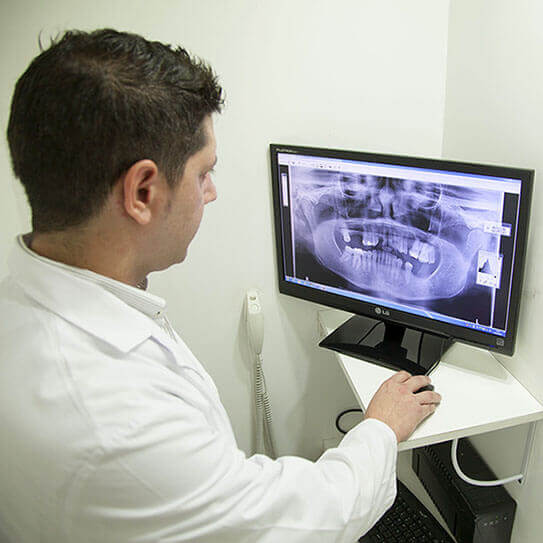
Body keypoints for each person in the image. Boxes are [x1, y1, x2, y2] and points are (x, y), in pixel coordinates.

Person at [0, 29, 441, 543]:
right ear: (142, 191)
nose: (211, 193)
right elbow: (302, 523)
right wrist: (381, 428)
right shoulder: (121, 422)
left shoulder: (24, 310)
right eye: (203, 173)